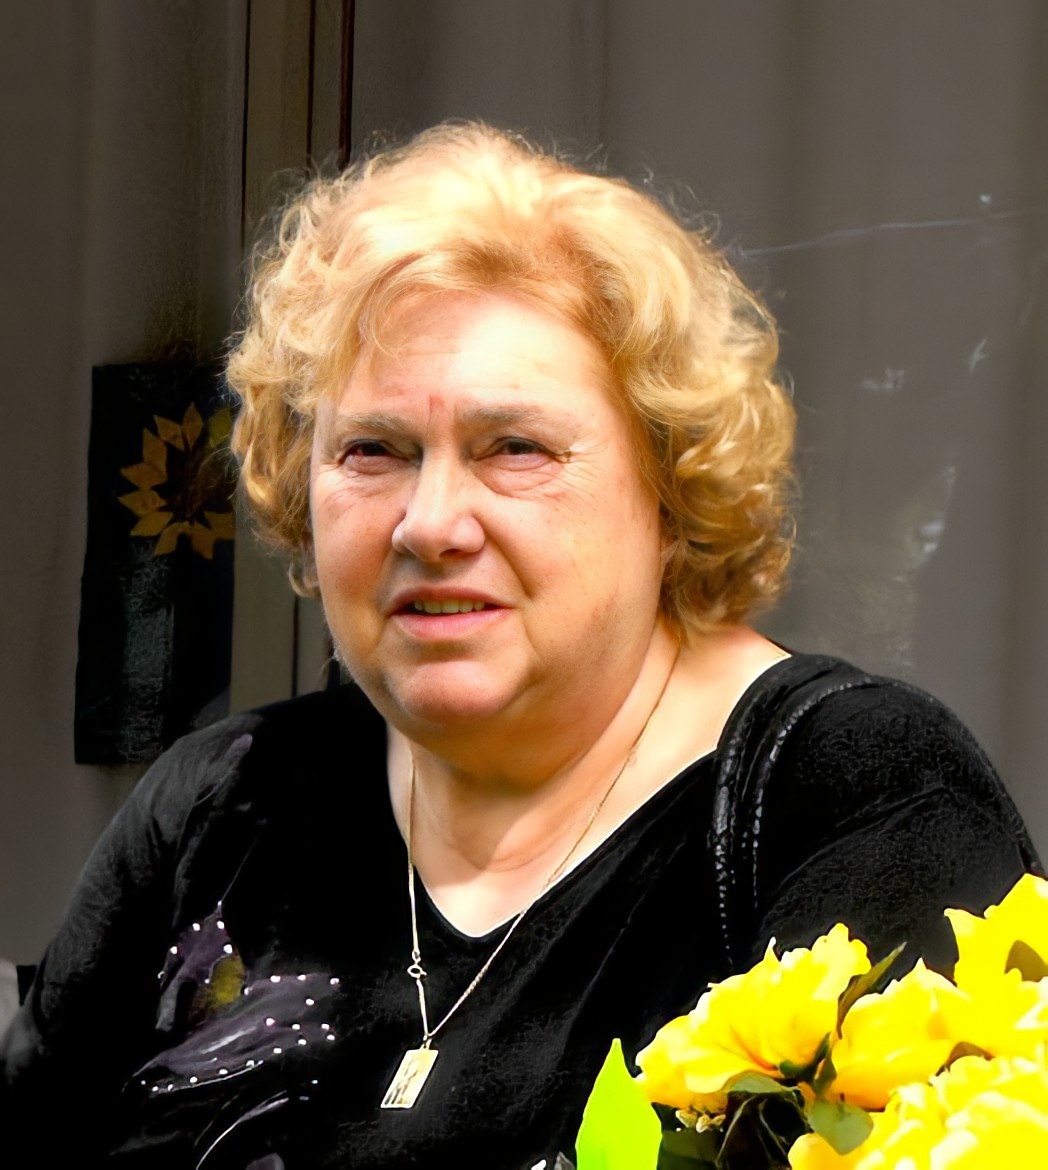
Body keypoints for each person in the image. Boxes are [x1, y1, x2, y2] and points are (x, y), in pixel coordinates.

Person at [0, 123, 1038, 1168]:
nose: (431, 524)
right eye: (374, 450)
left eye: (515, 448)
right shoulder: (220, 809)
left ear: (672, 490)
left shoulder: (855, 794)